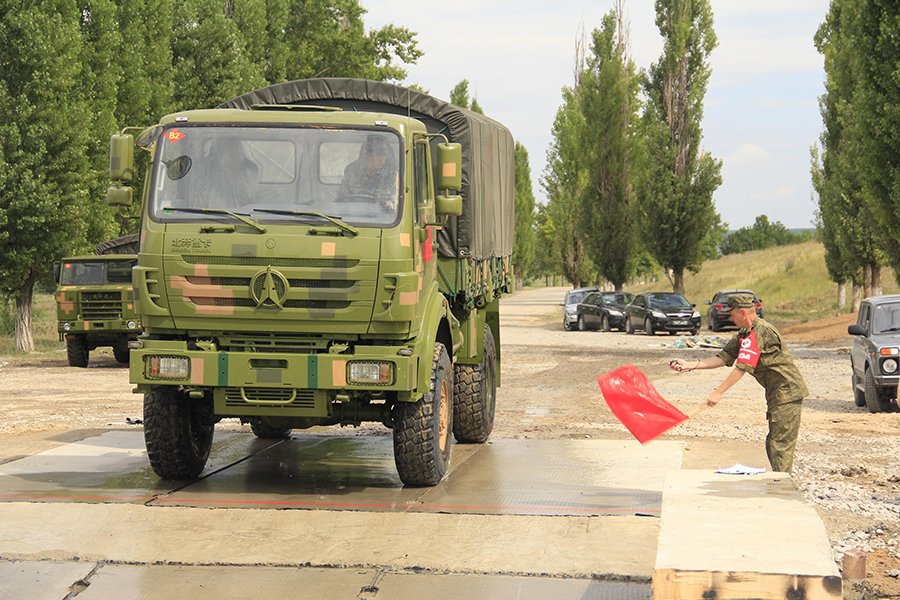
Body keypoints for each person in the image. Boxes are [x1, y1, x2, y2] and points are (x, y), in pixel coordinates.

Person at [668, 293, 808, 473]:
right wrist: (688, 365)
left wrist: (718, 392)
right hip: (776, 392)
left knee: (779, 443)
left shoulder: (761, 332)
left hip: (788, 392)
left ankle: (783, 486)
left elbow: (742, 367)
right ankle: (781, 480)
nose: (730, 318)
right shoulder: (745, 334)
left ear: (743, 312)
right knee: (775, 441)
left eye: (732, 314)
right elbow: (722, 358)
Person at [339, 135, 398, 211]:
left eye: (384, 155)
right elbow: (342, 198)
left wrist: (387, 204)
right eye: (378, 154)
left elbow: (397, 202)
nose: (381, 159)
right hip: (354, 216)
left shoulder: (391, 174)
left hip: (384, 219)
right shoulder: (352, 171)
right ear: (366, 153)